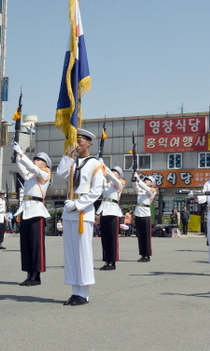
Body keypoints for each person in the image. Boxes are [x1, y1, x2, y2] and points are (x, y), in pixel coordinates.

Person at [56, 129, 104, 306]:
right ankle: (74, 291)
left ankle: (83, 292)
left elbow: (97, 190)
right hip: (70, 211)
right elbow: (60, 174)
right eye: (75, 140)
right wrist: (67, 154)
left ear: (89, 142)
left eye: (80, 140)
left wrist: (78, 204)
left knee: (83, 253)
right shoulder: (72, 162)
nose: (77, 143)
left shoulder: (96, 164)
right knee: (71, 254)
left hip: (83, 211)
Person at [12, 142, 52, 286]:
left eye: (39, 160)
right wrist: (17, 152)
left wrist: (22, 152)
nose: (36, 161)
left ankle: (37, 275)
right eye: (35, 159)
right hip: (26, 210)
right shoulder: (30, 175)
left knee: (36, 245)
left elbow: (30, 166)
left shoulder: (45, 174)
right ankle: (29, 274)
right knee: (26, 245)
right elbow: (20, 166)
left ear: (45, 164)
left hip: (36, 211)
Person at [96, 165, 125, 270]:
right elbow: (99, 179)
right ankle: (106, 260)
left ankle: (112, 262)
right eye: (112, 171)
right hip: (104, 210)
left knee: (112, 238)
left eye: (115, 172)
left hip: (113, 211)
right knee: (104, 238)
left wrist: (104, 166)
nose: (113, 173)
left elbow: (113, 178)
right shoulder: (106, 183)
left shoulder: (120, 182)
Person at [132, 174, 157, 262]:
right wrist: (134, 179)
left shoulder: (152, 190)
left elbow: (149, 191)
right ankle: (142, 254)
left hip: (146, 213)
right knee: (140, 235)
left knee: (146, 235)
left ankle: (147, 255)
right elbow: (135, 187)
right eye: (145, 179)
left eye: (148, 180)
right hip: (138, 212)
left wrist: (139, 180)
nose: (146, 180)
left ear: (151, 183)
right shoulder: (141, 190)